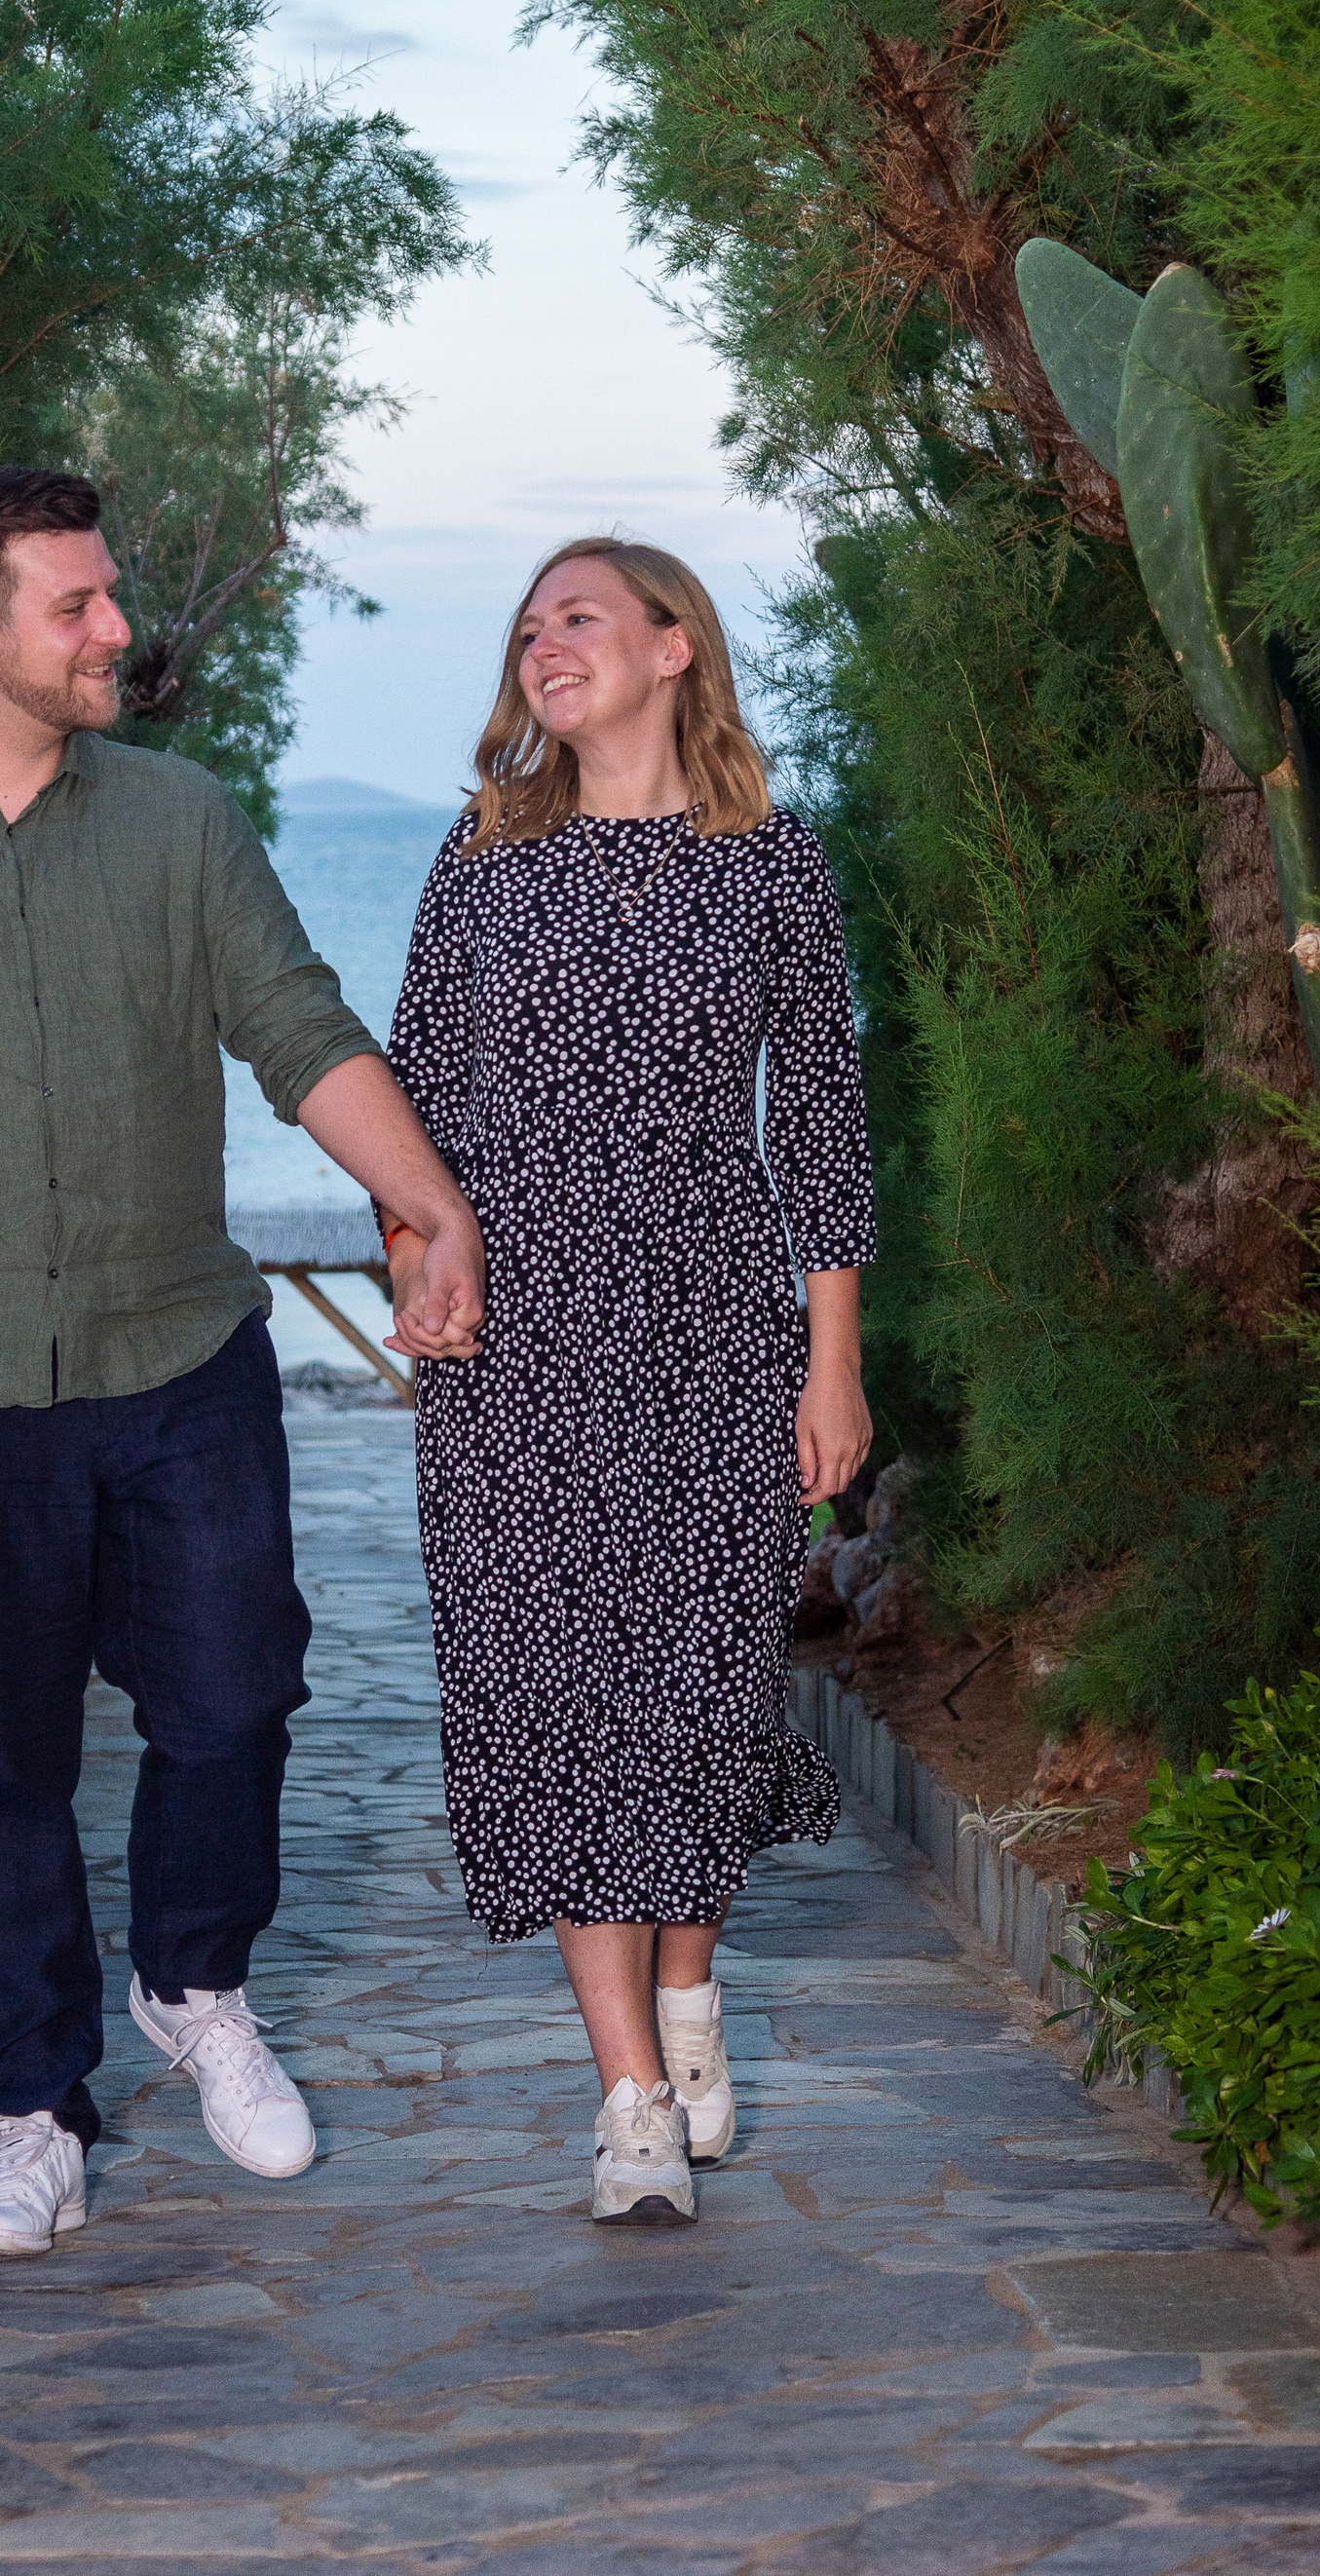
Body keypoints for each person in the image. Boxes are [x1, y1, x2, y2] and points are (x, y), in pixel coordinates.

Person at [0, 464, 486, 2259]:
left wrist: (431, 1207)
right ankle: (29, 2111)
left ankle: (195, 1989)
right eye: (80, 604)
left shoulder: (179, 821)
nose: (119, 629)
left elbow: (299, 1028)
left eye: (113, 594)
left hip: (177, 1353)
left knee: (236, 1700)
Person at [379, 537, 875, 2223]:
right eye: (526, 628)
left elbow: (819, 1128)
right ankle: (631, 2102)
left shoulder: (768, 867)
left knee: (697, 1688)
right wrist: (413, 1268)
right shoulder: (484, 858)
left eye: (577, 617)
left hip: (715, 1330)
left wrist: (835, 1362)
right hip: (521, 1341)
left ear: (674, 648)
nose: (544, 647)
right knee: (559, 1696)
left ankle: (687, 1987)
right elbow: (416, 1112)